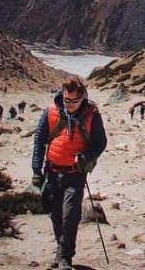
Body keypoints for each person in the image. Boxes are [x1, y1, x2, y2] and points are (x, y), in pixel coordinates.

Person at [32, 76, 108, 270]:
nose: (70, 104)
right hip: (53, 171)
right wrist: (36, 169)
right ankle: (61, 249)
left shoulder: (92, 115)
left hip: (75, 173)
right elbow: (39, 141)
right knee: (55, 214)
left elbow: (101, 142)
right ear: (62, 95)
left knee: (70, 215)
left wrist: (86, 156)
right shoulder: (50, 112)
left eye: (74, 101)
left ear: (82, 97)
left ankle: (66, 256)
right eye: (67, 100)